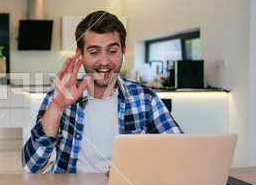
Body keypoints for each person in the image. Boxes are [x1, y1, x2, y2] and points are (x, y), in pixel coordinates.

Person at [22, 11, 183, 174]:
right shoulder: (58, 97)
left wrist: (139, 168)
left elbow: (179, 153)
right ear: (80, 54)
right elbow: (32, 167)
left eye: (112, 51)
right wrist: (57, 107)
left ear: (123, 51)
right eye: (94, 52)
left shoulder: (145, 98)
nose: (104, 61)